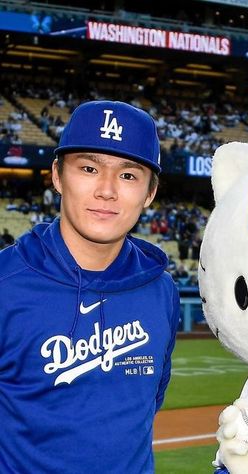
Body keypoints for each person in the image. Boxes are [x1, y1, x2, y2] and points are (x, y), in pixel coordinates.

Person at [0, 101, 180, 473]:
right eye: (88, 168)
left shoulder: (161, 291)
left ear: (150, 193)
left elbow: (149, 403)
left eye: (129, 175)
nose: (107, 190)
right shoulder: (6, 284)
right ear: (56, 175)